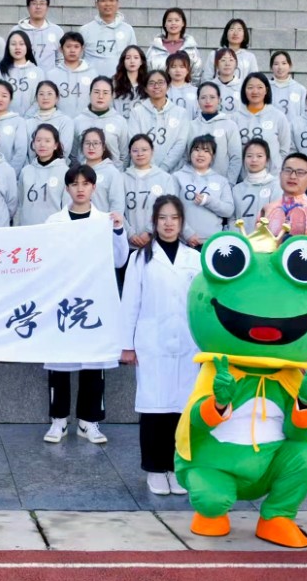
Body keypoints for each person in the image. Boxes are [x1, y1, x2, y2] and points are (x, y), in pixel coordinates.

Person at [42, 165, 129, 444]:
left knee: (94, 360)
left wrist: (118, 230)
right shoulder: (54, 221)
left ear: (93, 187)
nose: (80, 189)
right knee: (60, 360)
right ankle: (58, 420)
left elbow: (120, 260)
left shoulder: (105, 220)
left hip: (95, 299)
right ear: (67, 188)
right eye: (74, 184)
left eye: (85, 184)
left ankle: (88, 422)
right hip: (64, 299)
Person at [120, 195, 199, 496]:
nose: (168, 224)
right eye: (163, 218)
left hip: (188, 343)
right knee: (155, 409)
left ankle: (177, 468)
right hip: (152, 343)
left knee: (182, 409)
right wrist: (127, 345)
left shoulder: (194, 259)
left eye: (174, 218)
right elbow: (130, 303)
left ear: (181, 222)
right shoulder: (140, 259)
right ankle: (155, 469)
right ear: (154, 222)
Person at [259, 152, 307, 296]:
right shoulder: (267, 209)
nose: (293, 176)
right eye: (288, 170)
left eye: (300, 172)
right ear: (280, 174)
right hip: (272, 286)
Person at [173, 134, 234, 248]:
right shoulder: (177, 177)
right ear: (190, 153)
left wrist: (208, 201)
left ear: (213, 156)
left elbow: (228, 210)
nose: (200, 154)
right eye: (196, 149)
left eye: (206, 151)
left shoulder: (222, 181)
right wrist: (187, 233)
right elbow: (172, 209)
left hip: (213, 243)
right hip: (183, 242)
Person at [128, 69, 191, 173]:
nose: (156, 86)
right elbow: (135, 142)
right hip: (142, 170)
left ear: (168, 86)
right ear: (145, 88)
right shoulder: (136, 112)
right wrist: (149, 169)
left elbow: (180, 144)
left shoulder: (181, 113)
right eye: (151, 83)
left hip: (172, 172)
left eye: (161, 82)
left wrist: (164, 168)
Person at [122, 134, 178, 251]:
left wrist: (149, 232)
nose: (140, 154)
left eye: (144, 150)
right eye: (135, 150)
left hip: (158, 242)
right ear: (130, 153)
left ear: (152, 151)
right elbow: (117, 210)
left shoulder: (165, 178)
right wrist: (130, 233)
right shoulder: (122, 178)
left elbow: (169, 209)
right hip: (128, 243)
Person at [184, 82, 243, 183]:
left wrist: (229, 184)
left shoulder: (229, 125)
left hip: (221, 184)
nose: (208, 101)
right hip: (194, 183)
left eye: (212, 97)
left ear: (219, 100)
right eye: (203, 97)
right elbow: (185, 157)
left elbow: (236, 158)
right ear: (197, 101)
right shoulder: (190, 126)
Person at [235, 72, 292, 173]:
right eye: (250, 87)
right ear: (244, 90)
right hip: (244, 177)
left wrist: (276, 167)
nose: (255, 91)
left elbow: (285, 148)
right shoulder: (234, 118)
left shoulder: (278, 116)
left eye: (260, 87)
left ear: (266, 90)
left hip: (273, 176)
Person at [16, 123, 70, 225]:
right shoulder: (26, 171)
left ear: (56, 145)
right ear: (33, 143)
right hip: (27, 228)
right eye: (38, 140)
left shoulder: (65, 172)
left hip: (53, 229)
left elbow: (67, 207)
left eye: (47, 141)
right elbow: (20, 204)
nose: (42, 144)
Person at [79, 0, 136, 74]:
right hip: (91, 80)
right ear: (96, 4)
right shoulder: (85, 30)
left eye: (111, 0)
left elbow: (134, 58)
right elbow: (78, 59)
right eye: (103, 0)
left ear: (118, 4)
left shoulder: (128, 30)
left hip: (119, 80)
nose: (107, 4)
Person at [72, 77, 127, 165]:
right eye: (96, 92)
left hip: (113, 172)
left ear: (112, 95)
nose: (101, 96)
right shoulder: (78, 121)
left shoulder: (120, 121)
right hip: (85, 172)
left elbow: (124, 156)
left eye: (105, 93)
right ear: (90, 94)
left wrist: (117, 171)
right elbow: (73, 155)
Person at [231, 138, 282, 229]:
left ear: (267, 159)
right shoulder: (236, 189)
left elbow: (278, 217)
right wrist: (239, 235)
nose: (254, 160)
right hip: (241, 237)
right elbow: (232, 219)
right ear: (244, 159)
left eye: (259, 156)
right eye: (249, 156)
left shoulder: (276, 185)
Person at [25, 80, 75, 165]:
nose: (45, 97)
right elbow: (25, 152)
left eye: (49, 94)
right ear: (36, 98)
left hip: (58, 167)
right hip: (32, 167)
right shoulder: (28, 123)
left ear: (57, 98)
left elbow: (64, 151)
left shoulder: (65, 121)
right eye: (41, 94)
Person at [79, 127, 127, 217]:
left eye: (96, 143)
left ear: (103, 147)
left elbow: (117, 205)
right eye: (87, 143)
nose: (91, 147)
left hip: (104, 223)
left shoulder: (112, 173)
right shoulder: (77, 172)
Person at [146, 8, 203, 82]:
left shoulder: (190, 48)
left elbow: (196, 75)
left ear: (183, 23)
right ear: (165, 24)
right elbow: (147, 72)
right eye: (169, 20)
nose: (173, 23)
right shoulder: (155, 48)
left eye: (177, 20)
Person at [12, 0, 63, 72]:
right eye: (34, 3)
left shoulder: (57, 31)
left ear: (47, 7)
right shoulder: (16, 31)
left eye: (42, 3)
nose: (38, 7)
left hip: (49, 78)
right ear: (28, 7)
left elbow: (60, 59)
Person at [47, 32, 95, 117]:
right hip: (59, 121)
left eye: (76, 47)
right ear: (61, 49)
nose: (72, 50)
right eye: (68, 46)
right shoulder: (51, 75)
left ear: (82, 49)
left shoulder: (92, 74)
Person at [0, 30, 42, 117]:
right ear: (8, 47)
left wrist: (28, 117)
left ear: (27, 46)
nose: (17, 47)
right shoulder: (0, 71)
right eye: (13, 44)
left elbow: (39, 99)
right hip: (5, 119)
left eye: (21, 44)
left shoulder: (38, 72)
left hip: (32, 119)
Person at [0, 81, 28, 171]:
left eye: (4, 96)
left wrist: (10, 173)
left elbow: (20, 152)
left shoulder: (18, 121)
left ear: (10, 99)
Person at [269, 51, 307, 121]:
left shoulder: (300, 89)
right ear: (271, 67)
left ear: (290, 66)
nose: (280, 67)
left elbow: (304, 115)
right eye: (276, 64)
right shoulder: (265, 88)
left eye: (284, 63)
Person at [111, 45, 148, 119]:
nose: (132, 61)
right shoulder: (114, 83)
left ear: (141, 61)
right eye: (128, 58)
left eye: (136, 58)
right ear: (123, 61)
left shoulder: (148, 83)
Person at [208, 49, 243, 115]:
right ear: (217, 64)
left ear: (236, 64)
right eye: (223, 60)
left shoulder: (243, 86)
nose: (227, 64)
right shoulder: (209, 87)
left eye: (231, 60)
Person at [166, 51, 198, 120]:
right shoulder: (162, 91)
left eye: (182, 67)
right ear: (168, 70)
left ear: (188, 70)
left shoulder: (196, 91)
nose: (178, 70)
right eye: (173, 67)